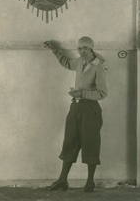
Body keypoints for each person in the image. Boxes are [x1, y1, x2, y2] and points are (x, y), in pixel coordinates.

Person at [44, 36, 107, 192]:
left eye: (85, 48)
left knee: (90, 145)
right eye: (79, 48)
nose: (82, 51)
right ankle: (62, 181)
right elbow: (67, 63)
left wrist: (82, 93)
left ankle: (90, 182)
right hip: (75, 109)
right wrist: (55, 50)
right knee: (69, 143)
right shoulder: (79, 62)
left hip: (90, 110)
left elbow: (102, 93)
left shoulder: (98, 66)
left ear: (91, 49)